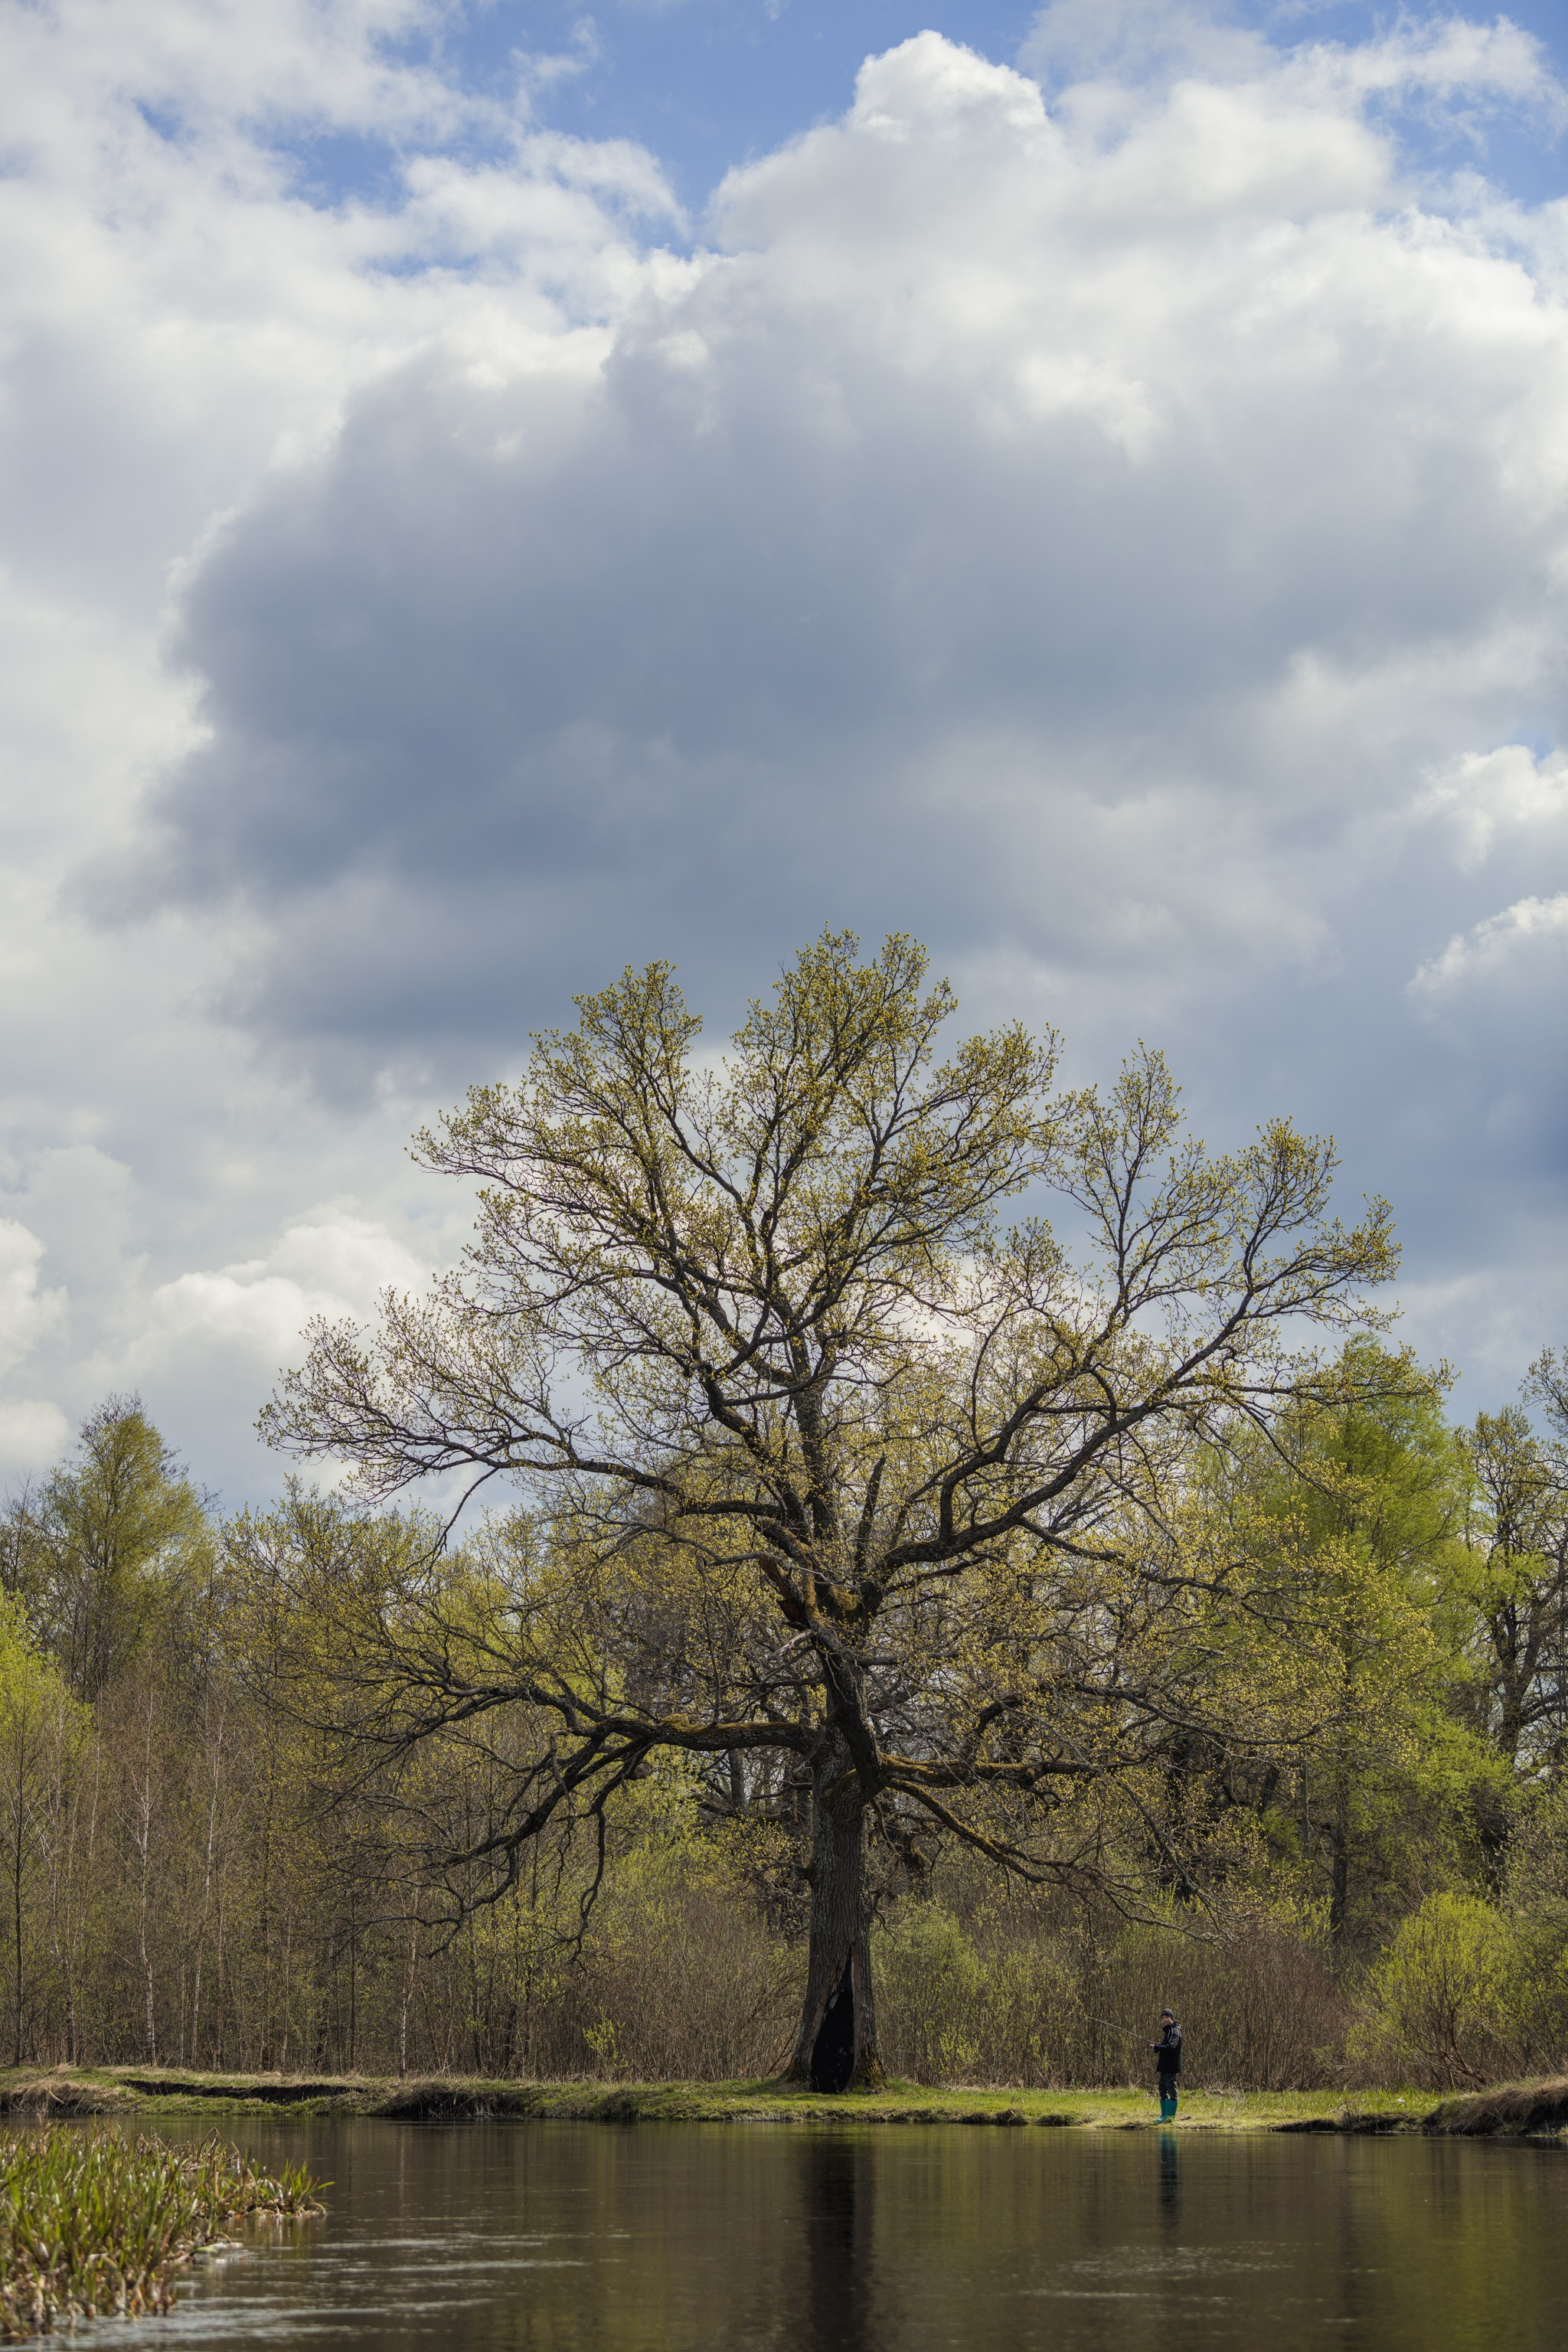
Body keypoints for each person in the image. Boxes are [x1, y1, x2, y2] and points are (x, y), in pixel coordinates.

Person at [1152, 2008, 1181, 2122]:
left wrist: (1157, 2047)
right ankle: (1164, 2115)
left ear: (1171, 2018)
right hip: (1165, 2066)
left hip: (1171, 2066)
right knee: (1162, 2089)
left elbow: (1171, 2047)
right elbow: (1166, 2046)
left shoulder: (1175, 2031)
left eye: (1166, 2017)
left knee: (1171, 2089)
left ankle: (1170, 2117)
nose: (1164, 2020)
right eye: (1163, 2018)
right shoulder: (1169, 2031)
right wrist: (1158, 2046)